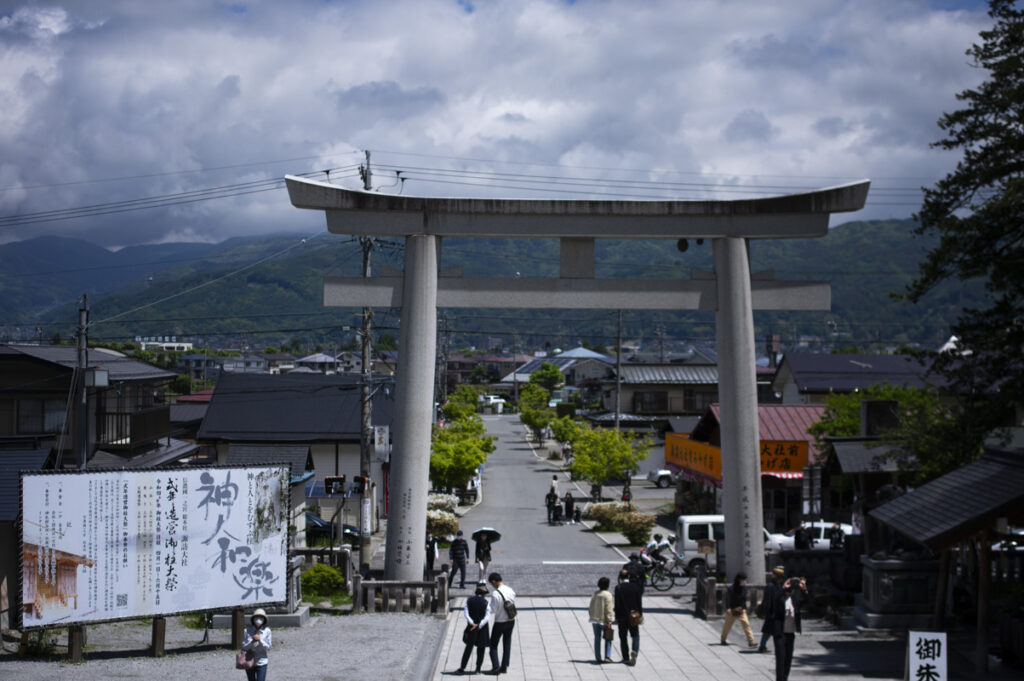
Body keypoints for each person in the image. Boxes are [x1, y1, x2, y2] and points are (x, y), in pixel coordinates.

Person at [484, 572, 516, 675]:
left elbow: (492, 610)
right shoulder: (510, 590)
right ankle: (504, 666)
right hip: (511, 620)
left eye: (491, 584)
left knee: (493, 644)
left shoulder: (496, 594)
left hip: (500, 622)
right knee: (507, 643)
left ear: (494, 582)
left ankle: (495, 667)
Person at [456, 583, 492, 674]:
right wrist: (479, 625)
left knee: (468, 647)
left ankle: (462, 667)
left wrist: (472, 623)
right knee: (481, 648)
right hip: (482, 628)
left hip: (471, 627)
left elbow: (466, 613)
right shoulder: (485, 602)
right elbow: (487, 616)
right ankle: (478, 669)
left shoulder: (469, 600)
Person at [614, 568, 642, 666]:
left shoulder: (618, 587)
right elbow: (639, 602)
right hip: (633, 615)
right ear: (629, 576)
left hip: (622, 616)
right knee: (635, 635)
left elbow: (617, 604)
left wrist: (616, 617)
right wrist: (640, 614)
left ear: (620, 577)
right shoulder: (635, 587)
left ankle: (625, 657)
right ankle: (634, 651)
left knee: (623, 637)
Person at [720, 572, 756, 647]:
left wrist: (744, 608)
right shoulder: (731, 588)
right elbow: (728, 598)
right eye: (743, 580)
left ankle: (751, 641)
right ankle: (723, 639)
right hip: (732, 609)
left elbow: (744, 599)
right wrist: (728, 607)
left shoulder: (744, 589)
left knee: (746, 624)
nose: (744, 581)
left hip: (741, 610)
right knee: (727, 625)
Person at [587, 577, 614, 663]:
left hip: (595, 619)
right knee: (608, 637)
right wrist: (609, 620)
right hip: (604, 620)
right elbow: (609, 609)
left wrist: (591, 616)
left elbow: (590, 606)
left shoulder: (595, 594)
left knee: (597, 638)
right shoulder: (608, 595)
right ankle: (607, 656)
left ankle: (598, 657)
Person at [241, 607, 271, 681]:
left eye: (261, 617)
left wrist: (260, 641)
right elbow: (244, 647)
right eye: (257, 617)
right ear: (253, 619)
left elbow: (268, 647)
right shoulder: (247, 631)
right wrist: (252, 642)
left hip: (262, 662)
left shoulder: (267, 631)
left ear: (264, 619)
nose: (258, 619)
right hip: (249, 661)